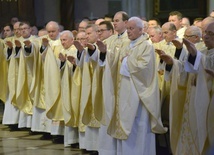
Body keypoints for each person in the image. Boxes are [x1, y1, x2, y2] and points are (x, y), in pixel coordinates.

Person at [109, 16, 166, 155]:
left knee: (138, 127)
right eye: (128, 28)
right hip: (124, 93)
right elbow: (117, 63)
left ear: (141, 30)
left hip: (139, 95)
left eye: (131, 28)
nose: (128, 31)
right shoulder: (126, 45)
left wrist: (126, 61)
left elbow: (144, 68)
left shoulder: (146, 46)